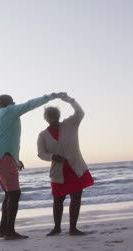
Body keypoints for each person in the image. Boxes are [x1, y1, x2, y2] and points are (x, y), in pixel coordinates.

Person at [0, 92, 67, 240]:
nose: (14, 103)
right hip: (3, 158)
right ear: (8, 103)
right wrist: (50, 97)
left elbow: (6, 139)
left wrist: (16, 160)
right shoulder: (9, 111)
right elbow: (30, 104)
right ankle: (9, 232)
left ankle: (3, 230)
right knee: (14, 194)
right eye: (12, 101)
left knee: (9, 194)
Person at [37, 94, 94, 236]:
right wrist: (52, 157)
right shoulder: (43, 135)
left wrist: (70, 100)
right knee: (58, 199)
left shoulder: (71, 123)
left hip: (76, 167)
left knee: (76, 197)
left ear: (58, 115)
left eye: (55, 114)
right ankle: (57, 227)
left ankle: (73, 228)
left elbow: (80, 112)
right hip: (58, 171)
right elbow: (41, 153)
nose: (53, 117)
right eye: (50, 115)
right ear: (46, 118)